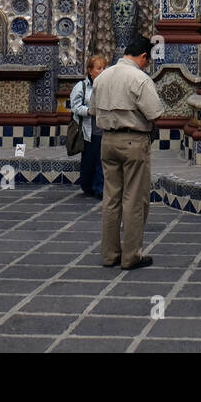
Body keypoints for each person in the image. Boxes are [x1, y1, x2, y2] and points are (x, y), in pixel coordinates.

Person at [93, 34, 164, 270]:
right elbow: (155, 114)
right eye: (148, 60)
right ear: (143, 56)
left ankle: (109, 254)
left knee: (111, 199)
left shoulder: (102, 77)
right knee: (134, 200)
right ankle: (131, 255)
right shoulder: (140, 79)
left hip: (107, 141)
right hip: (133, 142)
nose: (147, 65)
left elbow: (93, 109)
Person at [69, 53, 108, 199]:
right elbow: (75, 107)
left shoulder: (107, 87)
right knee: (89, 160)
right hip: (88, 130)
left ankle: (100, 188)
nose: (102, 71)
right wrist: (90, 111)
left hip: (103, 130)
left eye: (104, 68)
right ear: (90, 70)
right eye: (99, 68)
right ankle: (87, 185)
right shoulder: (82, 87)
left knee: (101, 160)